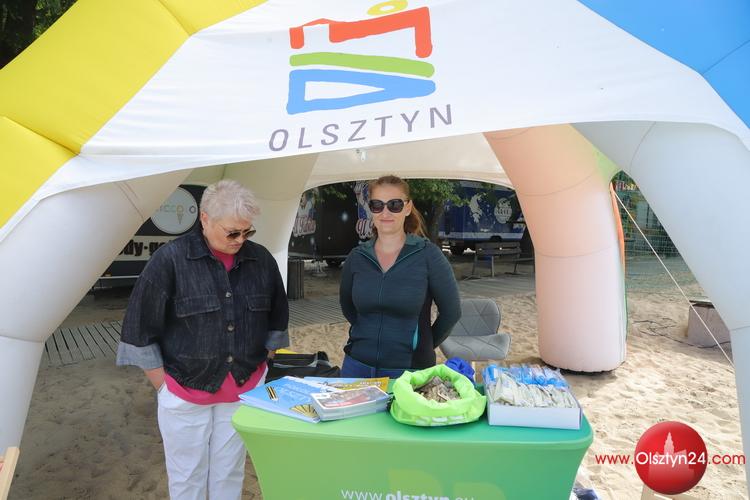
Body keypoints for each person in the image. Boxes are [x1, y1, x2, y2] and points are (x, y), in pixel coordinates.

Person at [116, 179, 288, 500]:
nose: (241, 240)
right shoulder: (170, 260)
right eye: (232, 232)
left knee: (230, 474)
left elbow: (277, 318)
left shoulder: (261, 260)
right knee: (187, 479)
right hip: (183, 391)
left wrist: (263, 365)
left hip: (242, 390)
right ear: (205, 219)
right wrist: (164, 387)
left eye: (247, 232)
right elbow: (139, 329)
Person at [339, 175, 461, 378]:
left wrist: (423, 344)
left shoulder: (428, 255)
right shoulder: (357, 257)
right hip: (357, 366)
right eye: (377, 205)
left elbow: (452, 312)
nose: (385, 212)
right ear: (371, 209)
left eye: (394, 205)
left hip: (409, 371)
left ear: (407, 207)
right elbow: (348, 307)